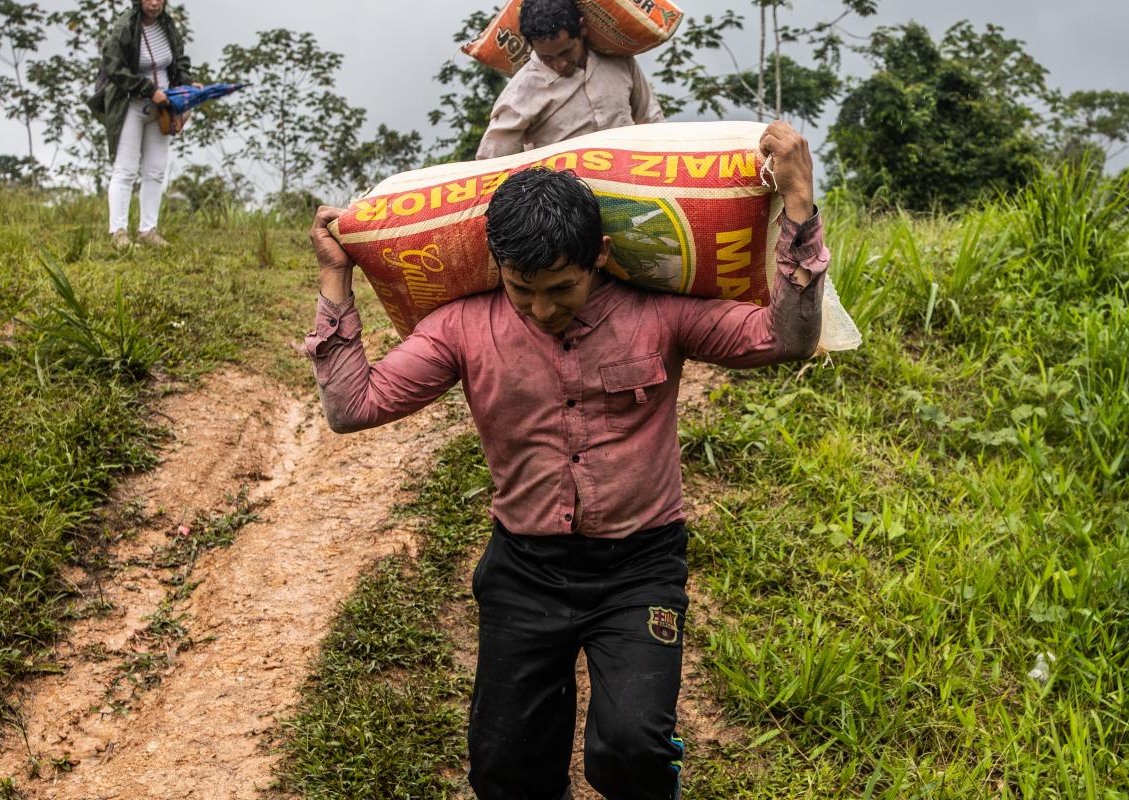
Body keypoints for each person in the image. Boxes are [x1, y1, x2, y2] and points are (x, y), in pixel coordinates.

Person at [301, 121, 824, 799]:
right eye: (522, 289)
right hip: (524, 571)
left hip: (640, 568)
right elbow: (352, 408)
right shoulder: (462, 328)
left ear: (600, 256)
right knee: (505, 771)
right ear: (497, 266)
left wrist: (800, 210)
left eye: (561, 289)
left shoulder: (658, 315)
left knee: (631, 750)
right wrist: (334, 280)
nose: (541, 309)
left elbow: (785, 339)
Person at [475, 0, 665, 160]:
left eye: (566, 51)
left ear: (582, 29)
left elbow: (651, 120)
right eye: (547, 58)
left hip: (632, 188)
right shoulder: (520, 93)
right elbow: (490, 162)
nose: (559, 64)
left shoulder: (619, 61)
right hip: (565, 200)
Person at [93, 0, 199, 249]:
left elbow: (179, 60)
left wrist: (185, 87)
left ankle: (148, 230)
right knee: (125, 170)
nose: (154, 3)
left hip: (162, 107)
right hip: (131, 104)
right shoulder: (125, 27)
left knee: (155, 169)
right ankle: (118, 232)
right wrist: (148, 89)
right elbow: (114, 67)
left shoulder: (168, 25)